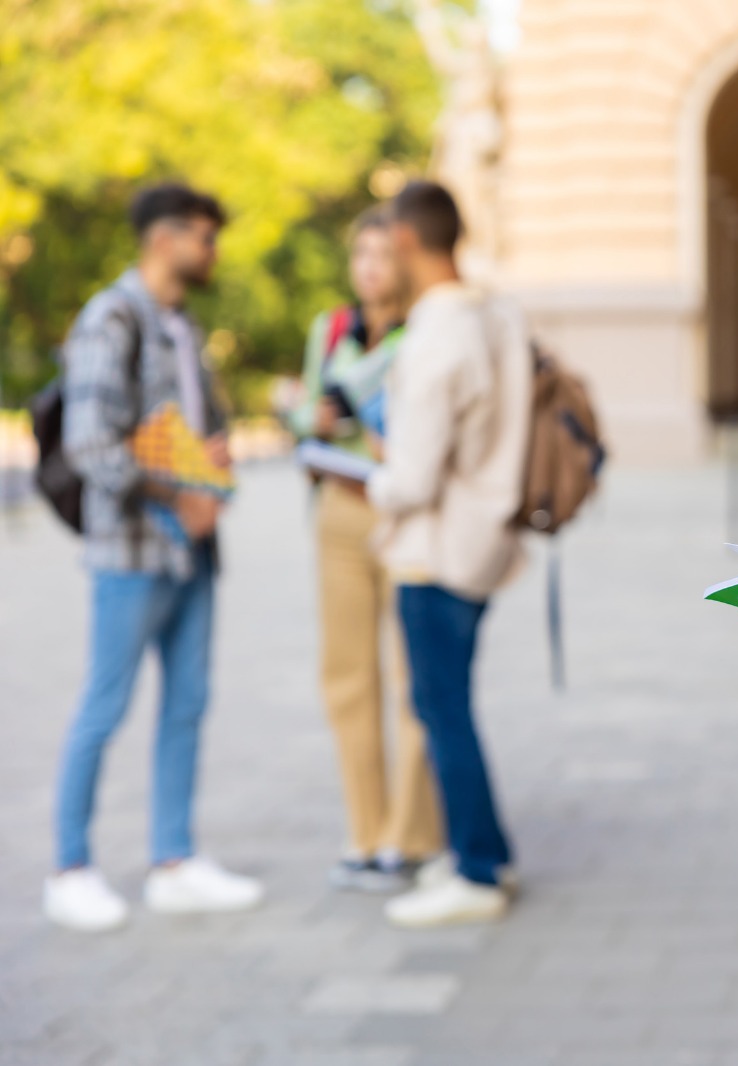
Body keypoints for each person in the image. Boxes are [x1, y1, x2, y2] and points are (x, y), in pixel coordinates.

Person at [46, 182, 265, 932]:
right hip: (133, 551)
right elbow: (89, 446)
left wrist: (213, 463)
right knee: (104, 706)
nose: (213, 252)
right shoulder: (111, 318)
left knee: (188, 703)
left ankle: (175, 861)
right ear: (165, 238)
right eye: (205, 237)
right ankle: (70, 869)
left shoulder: (182, 325)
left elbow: (191, 427)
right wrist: (178, 493)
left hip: (194, 549)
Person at [336, 180, 531, 927]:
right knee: (450, 706)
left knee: (441, 710)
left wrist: (365, 476)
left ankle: (476, 872)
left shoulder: (438, 332)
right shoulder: (495, 315)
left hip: (436, 550)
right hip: (485, 539)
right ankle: (488, 854)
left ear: (408, 241)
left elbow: (412, 479)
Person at [288, 206, 443, 892]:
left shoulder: (426, 331)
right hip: (338, 512)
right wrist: (311, 417)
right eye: (362, 255)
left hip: (402, 512)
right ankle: (366, 832)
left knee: (413, 677)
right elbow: (303, 409)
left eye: (384, 254)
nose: (371, 268)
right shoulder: (332, 329)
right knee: (346, 676)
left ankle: (411, 838)